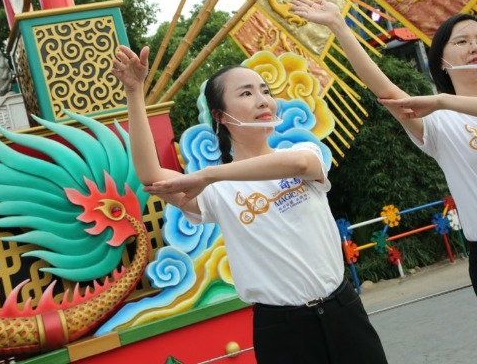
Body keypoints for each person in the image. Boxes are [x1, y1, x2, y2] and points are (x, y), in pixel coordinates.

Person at [290, 0, 477, 364]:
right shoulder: (436, 124)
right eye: (462, 41)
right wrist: (340, 27)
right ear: (442, 60)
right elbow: (387, 93)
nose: (475, 46)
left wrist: (444, 102)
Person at [111, 45, 388, 364]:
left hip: (345, 312)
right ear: (219, 115)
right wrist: (134, 92)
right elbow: (149, 174)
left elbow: (298, 165)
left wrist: (208, 174)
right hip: (283, 331)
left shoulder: (301, 153)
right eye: (246, 93)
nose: (262, 100)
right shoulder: (216, 191)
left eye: (265, 91)